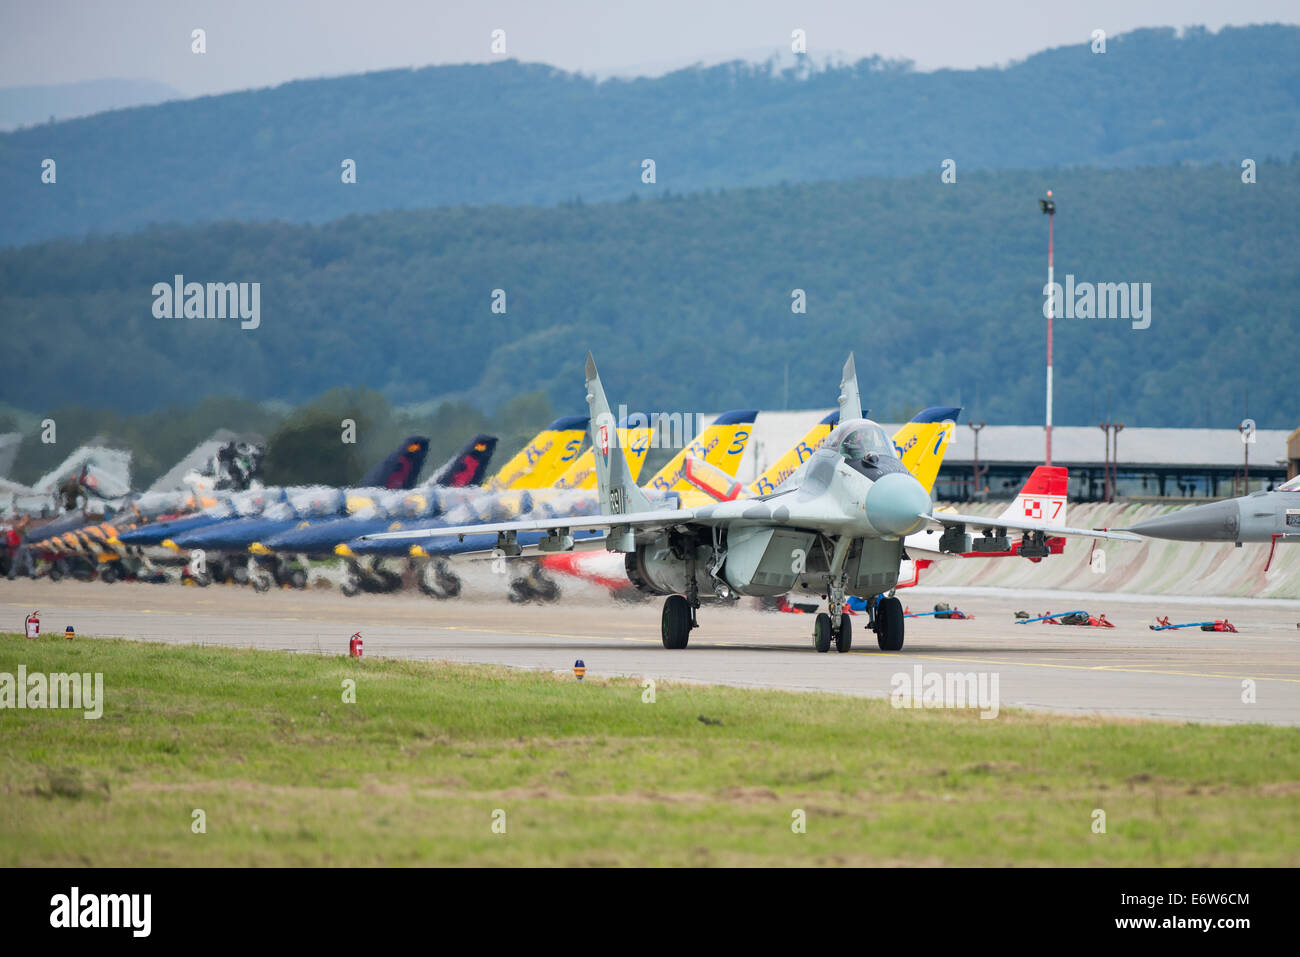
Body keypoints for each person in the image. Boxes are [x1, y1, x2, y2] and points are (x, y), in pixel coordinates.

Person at [6, 516, 35, 580]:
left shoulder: (25, 526)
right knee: (17, 561)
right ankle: (11, 574)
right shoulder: (21, 525)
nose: (30, 521)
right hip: (20, 545)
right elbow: (17, 531)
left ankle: (32, 573)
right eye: (29, 519)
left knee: (28, 560)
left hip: (24, 545)